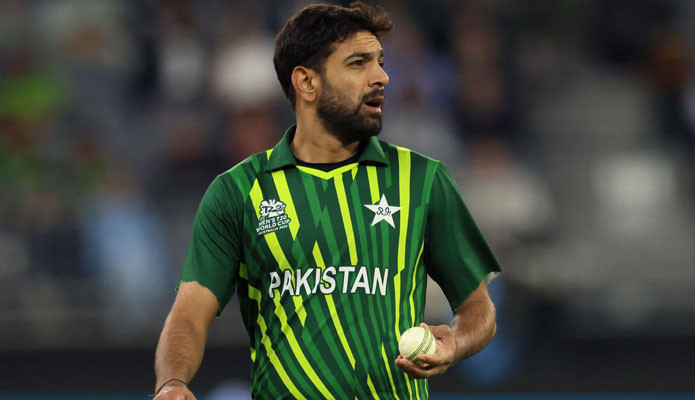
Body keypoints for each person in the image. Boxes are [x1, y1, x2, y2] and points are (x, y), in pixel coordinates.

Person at [153, 2, 501, 399]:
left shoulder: (422, 180)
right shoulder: (238, 191)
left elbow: (479, 308)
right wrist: (172, 382)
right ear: (306, 82)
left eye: (380, 62)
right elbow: (189, 314)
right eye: (358, 63)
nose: (382, 77)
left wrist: (456, 342)